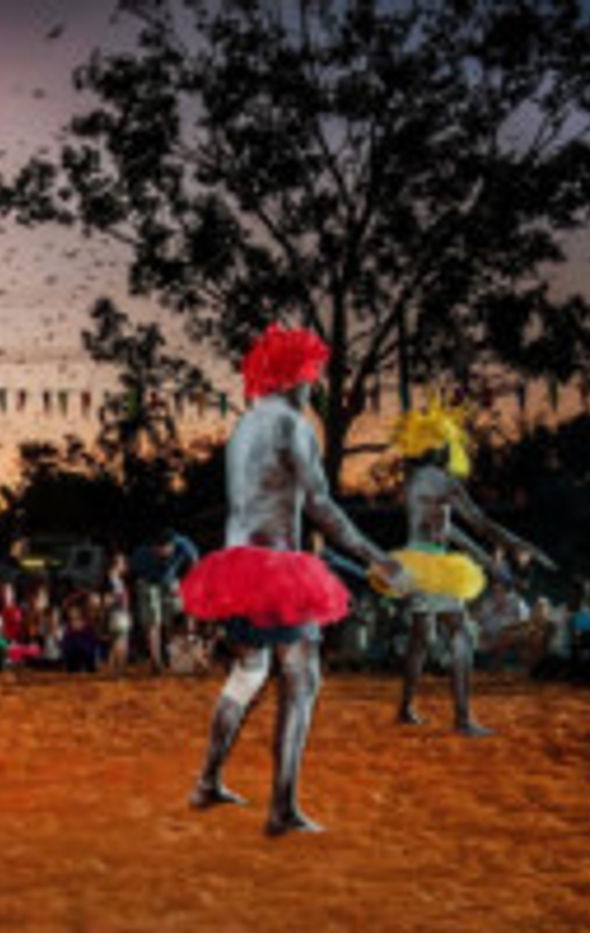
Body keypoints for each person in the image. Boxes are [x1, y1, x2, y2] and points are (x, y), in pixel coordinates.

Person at [180, 324, 405, 835]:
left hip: (236, 566)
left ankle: (207, 782)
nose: (314, 387)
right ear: (292, 376)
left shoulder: (246, 425)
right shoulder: (291, 424)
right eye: (311, 376)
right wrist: (376, 557)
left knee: (250, 672)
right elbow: (321, 506)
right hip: (275, 570)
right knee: (303, 678)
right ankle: (282, 809)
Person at [388, 392, 553, 736]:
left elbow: (450, 531)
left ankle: (405, 707)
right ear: (438, 445)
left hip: (416, 559)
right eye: (448, 443)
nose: (452, 449)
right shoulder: (441, 481)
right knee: (460, 631)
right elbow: (480, 522)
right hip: (431, 564)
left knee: (421, 636)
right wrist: (516, 543)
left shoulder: (417, 480)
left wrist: (487, 559)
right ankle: (463, 719)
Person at [131, 528, 200, 672]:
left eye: (164, 550)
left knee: (175, 614)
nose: (161, 553)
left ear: (172, 545)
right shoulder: (142, 555)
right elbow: (136, 577)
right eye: (158, 550)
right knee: (153, 621)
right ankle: (156, 661)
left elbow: (195, 566)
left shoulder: (184, 545)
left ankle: (176, 654)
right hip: (148, 581)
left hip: (170, 579)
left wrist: (187, 586)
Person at [105, 553, 133, 674]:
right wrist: (119, 599)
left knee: (119, 639)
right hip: (117, 612)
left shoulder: (116, 579)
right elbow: (108, 599)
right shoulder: (111, 579)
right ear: (116, 565)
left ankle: (116, 668)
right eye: (122, 563)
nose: (125, 565)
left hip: (119, 612)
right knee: (120, 639)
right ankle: (118, 668)